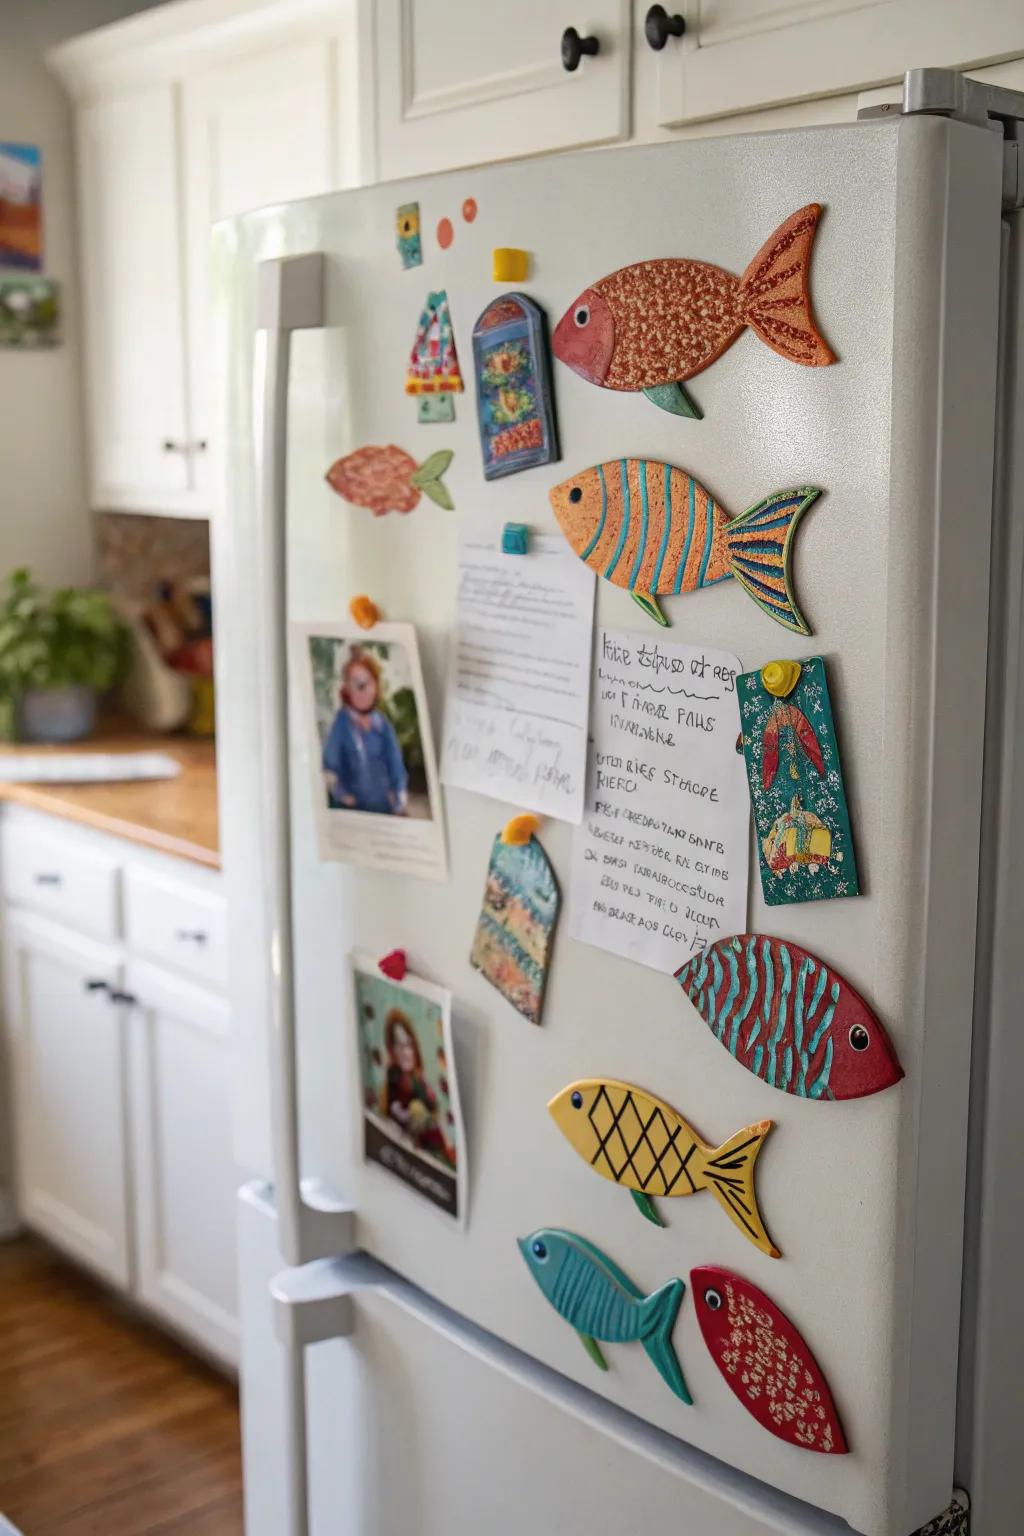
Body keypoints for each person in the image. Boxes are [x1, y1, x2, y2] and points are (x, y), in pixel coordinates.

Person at [322, 650, 408, 814]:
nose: (363, 690)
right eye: (356, 684)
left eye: (367, 683)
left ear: (376, 686)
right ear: (346, 689)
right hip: (354, 811)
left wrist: (399, 797)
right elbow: (330, 766)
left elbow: (396, 764)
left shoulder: (382, 724)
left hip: (384, 808)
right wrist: (343, 796)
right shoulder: (342, 722)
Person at [379, 1008, 445, 1157]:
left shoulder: (420, 1082)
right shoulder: (392, 1086)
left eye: (408, 1044)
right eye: (399, 1045)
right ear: (392, 1050)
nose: (405, 1052)